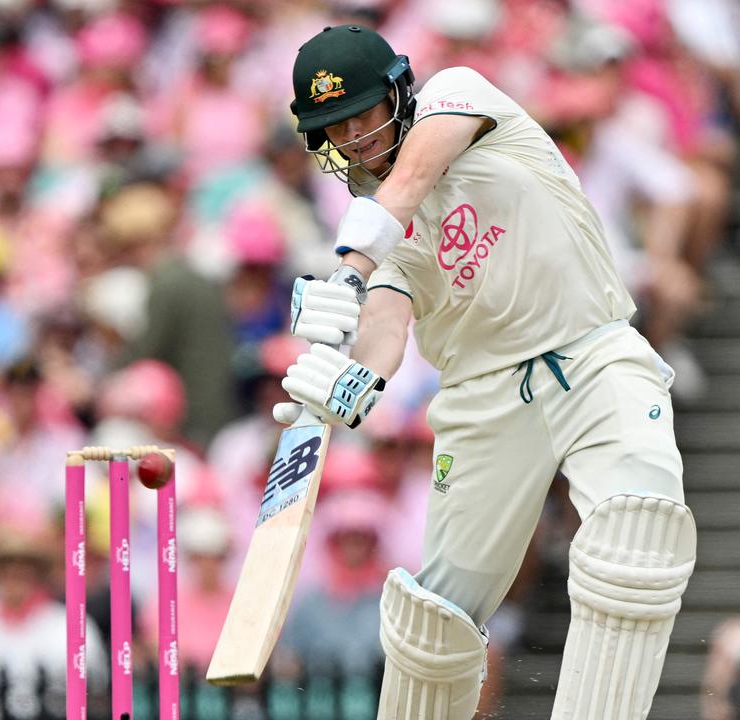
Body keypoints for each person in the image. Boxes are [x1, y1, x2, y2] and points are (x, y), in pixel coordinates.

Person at [276, 25, 696, 719]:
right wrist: (342, 388)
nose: (351, 139)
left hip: (592, 351)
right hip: (482, 401)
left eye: (360, 116)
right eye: (332, 129)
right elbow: (387, 322)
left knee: (636, 538)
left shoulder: (457, 96)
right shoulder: (379, 229)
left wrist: (346, 270)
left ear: (397, 94)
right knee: (436, 621)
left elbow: (410, 182)